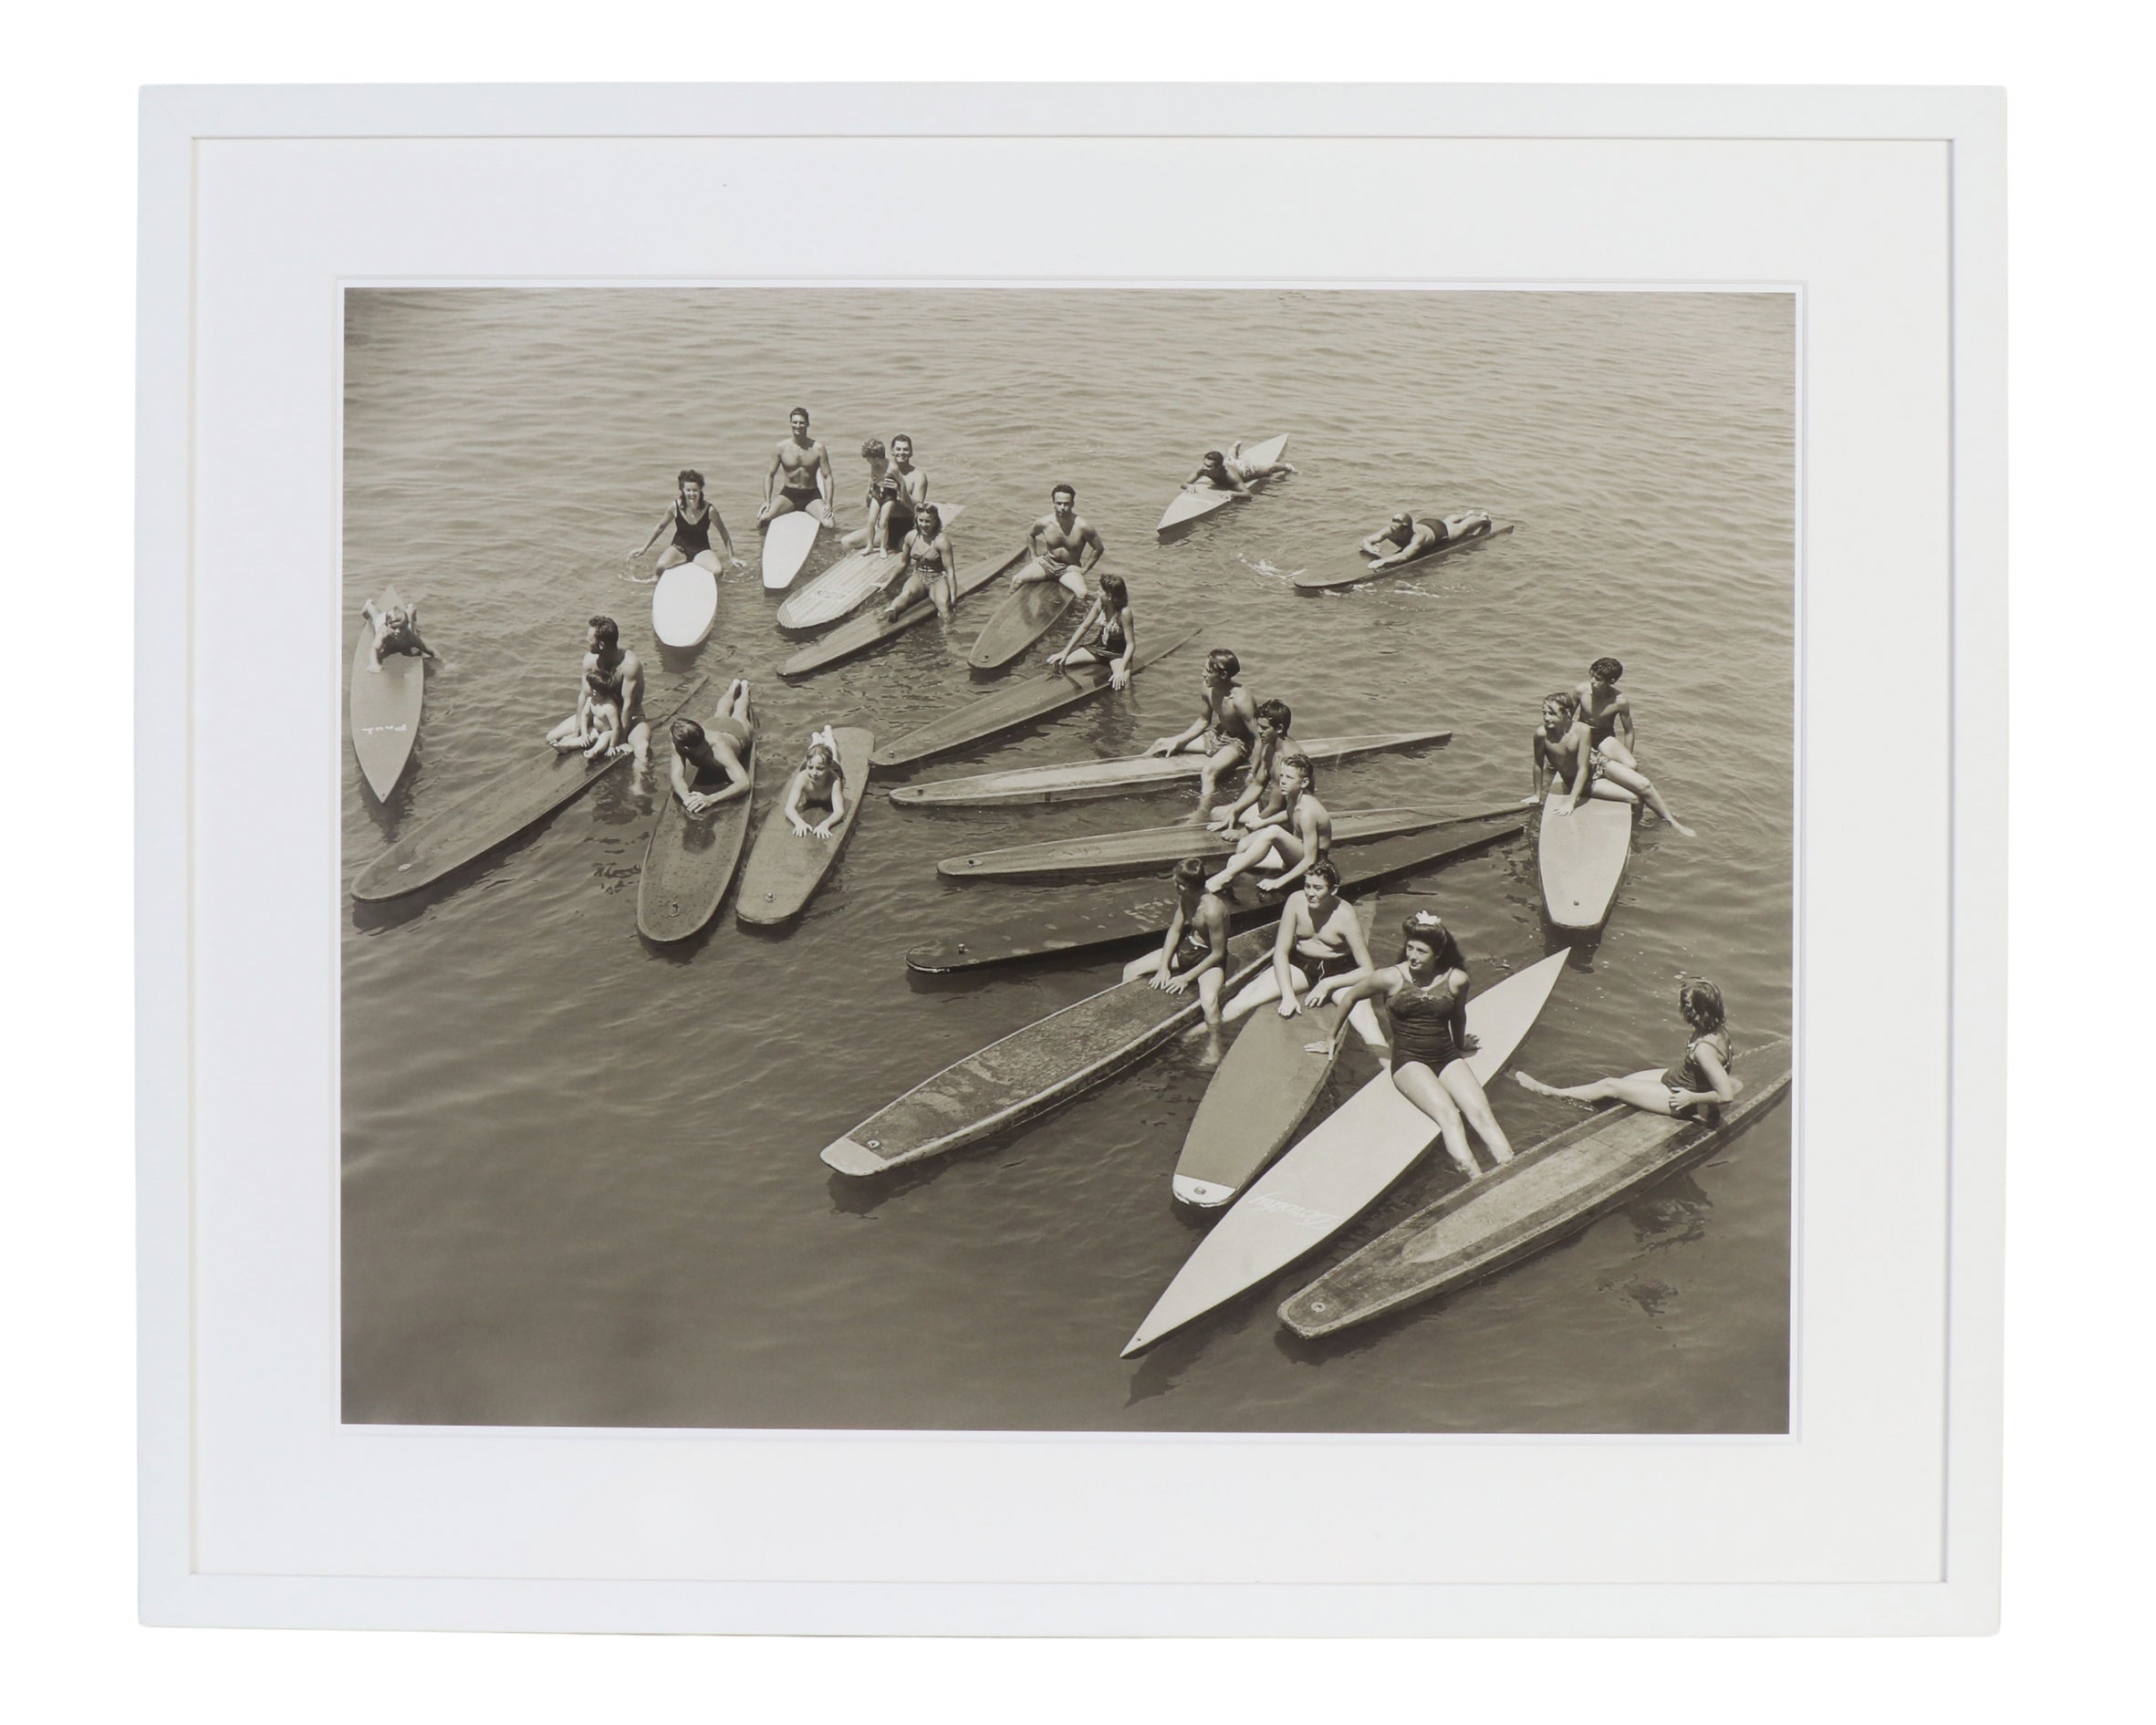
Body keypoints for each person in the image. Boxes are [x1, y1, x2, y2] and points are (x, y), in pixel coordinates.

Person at [1329, 909, 1515, 1179]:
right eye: (1410, 948)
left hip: (1446, 1055)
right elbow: (1349, 997)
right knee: (1450, 1116)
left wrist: (1461, 1043)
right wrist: (1330, 1038)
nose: (1413, 956)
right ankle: (1477, 1181)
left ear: (1437, 954)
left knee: (1481, 1113)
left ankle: (1511, 1169)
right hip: (1409, 1060)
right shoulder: (1390, 978)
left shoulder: (1456, 979)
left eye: (1421, 951)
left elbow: (1458, 1014)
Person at [1220, 860, 1386, 1050]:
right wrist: (1288, 995)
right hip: (1302, 964)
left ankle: (1391, 1073)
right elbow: (1281, 952)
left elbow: (1367, 970)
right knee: (1241, 1002)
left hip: (1339, 969)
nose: (1310, 893)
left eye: (1317, 888)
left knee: (1367, 1024)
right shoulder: (1296, 901)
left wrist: (1327, 983)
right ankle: (1193, 1038)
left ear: (1333, 890)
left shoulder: (1345, 916)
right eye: (1307, 886)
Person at [1516, 980, 1738, 1121]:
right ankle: (1592, 1108)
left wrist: (1690, 1098)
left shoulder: (1704, 1051)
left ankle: (1550, 1092)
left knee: (1610, 1085)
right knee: (1626, 1082)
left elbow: (1726, 1095)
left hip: (1680, 1099)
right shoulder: (1717, 1029)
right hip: (1680, 1079)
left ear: (1692, 1012)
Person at [1531, 691, 1693, 835]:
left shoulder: (1582, 730)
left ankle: (1672, 822)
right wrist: (1538, 796)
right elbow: (1538, 764)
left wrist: (1571, 802)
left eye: (1551, 713)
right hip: (1585, 781)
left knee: (1644, 784)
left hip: (1598, 763)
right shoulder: (1542, 735)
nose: (1546, 718)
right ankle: (1632, 832)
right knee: (1636, 799)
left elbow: (1583, 766)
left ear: (1567, 713)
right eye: (1544, 713)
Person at [1122, 857, 1236, 1031]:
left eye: (1175, 881)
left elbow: (1218, 954)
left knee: (1209, 1001)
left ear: (1184, 886)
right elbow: (1175, 931)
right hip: (1187, 948)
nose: (1173, 884)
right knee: (1130, 969)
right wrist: (1163, 967)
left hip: (1207, 957)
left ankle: (1215, 1046)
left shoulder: (1213, 910)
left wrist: (1185, 978)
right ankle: (1130, 1018)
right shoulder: (1185, 898)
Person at [1205, 749, 1331, 895]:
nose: (1282, 781)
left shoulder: (1308, 811)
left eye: (1289, 777)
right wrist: (1261, 823)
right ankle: (1227, 886)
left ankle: (1223, 878)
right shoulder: (1293, 796)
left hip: (1315, 863)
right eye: (1282, 775)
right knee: (1235, 860)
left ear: (1304, 782)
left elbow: (1310, 860)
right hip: (1295, 854)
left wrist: (1278, 882)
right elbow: (1289, 813)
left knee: (1274, 831)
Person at [1147, 647, 1259, 800]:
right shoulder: (1207, 688)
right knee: (1160, 744)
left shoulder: (1241, 700)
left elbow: (1258, 737)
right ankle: (1129, 770)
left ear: (1223, 675)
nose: (1203, 674)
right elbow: (1203, 720)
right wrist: (1178, 742)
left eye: (1208, 671)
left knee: (1208, 772)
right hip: (1219, 734)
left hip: (1239, 742)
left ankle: (1202, 812)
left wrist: (1254, 771)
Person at [546, 615, 651, 768]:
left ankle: (638, 788)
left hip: (629, 716)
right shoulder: (589, 661)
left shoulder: (629, 664)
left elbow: (628, 705)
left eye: (589, 639)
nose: (586, 641)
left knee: (642, 750)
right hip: (599, 713)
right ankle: (588, 740)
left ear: (601, 645)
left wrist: (620, 741)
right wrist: (577, 731)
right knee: (551, 737)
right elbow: (584, 695)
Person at [668, 680, 756, 816]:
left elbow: (744, 783)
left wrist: (710, 799)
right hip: (713, 725)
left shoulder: (720, 750)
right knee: (720, 712)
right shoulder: (678, 744)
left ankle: (745, 689)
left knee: (739, 714)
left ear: (686, 747)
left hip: (735, 731)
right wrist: (687, 798)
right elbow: (677, 777)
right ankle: (732, 688)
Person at [633, 468, 744, 577]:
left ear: (700, 490)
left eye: (695, 490)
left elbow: (723, 532)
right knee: (660, 567)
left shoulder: (710, 510)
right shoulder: (675, 507)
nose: (692, 494)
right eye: (688, 490)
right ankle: (656, 581)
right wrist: (644, 548)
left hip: (701, 550)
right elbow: (660, 528)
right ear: (683, 490)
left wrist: (732, 556)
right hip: (678, 548)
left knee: (717, 571)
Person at [1206, 698, 1296, 830]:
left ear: (1279, 728)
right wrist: (1234, 811)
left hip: (1288, 816)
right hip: (1273, 808)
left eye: (1264, 728)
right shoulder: (1270, 749)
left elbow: (1275, 807)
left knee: (1240, 837)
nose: (1259, 731)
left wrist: (1245, 831)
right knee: (1216, 813)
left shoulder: (1288, 760)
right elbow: (1257, 784)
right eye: (1258, 726)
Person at [1012, 483, 1105, 598]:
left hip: (1068, 568)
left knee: (1082, 593)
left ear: (1072, 504)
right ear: (1053, 504)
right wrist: (1034, 557)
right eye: (1059, 503)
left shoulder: (1083, 526)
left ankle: (1077, 616)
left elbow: (1098, 548)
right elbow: (1030, 534)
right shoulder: (1044, 522)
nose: (1062, 507)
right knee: (1016, 580)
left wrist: (1084, 569)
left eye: (1066, 504)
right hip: (1047, 564)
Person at [1045, 571, 1135, 686]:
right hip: (1099, 648)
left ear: (1109, 596)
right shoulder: (1100, 603)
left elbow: (1131, 644)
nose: (1097, 593)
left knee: (1123, 682)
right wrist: (1065, 651)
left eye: (1101, 591)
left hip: (1117, 654)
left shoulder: (1125, 612)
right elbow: (1084, 627)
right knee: (1062, 663)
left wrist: (1121, 669)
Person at [757, 407, 837, 527]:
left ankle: (822, 545)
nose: (798, 426)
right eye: (795, 422)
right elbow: (770, 475)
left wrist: (829, 504)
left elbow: (827, 477)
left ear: (808, 424)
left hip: (811, 496)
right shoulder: (781, 448)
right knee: (763, 520)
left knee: (830, 525)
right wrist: (767, 500)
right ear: (790, 423)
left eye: (801, 423)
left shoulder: (818, 448)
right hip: (789, 495)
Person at [879, 503, 958, 620]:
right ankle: (892, 610)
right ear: (916, 520)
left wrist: (953, 597)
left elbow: (950, 571)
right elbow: (903, 564)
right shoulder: (911, 537)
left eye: (928, 522)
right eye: (920, 520)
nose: (923, 525)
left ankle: (948, 634)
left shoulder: (942, 541)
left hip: (937, 578)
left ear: (935, 522)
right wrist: (887, 583)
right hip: (918, 576)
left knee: (943, 605)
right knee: (906, 594)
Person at [1359, 508, 1494, 571]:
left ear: (1405, 528)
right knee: (1447, 522)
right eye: (1392, 529)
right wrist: (1371, 548)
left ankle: (1482, 519)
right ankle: (1464, 514)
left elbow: (1405, 556)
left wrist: (1383, 561)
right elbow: (1365, 541)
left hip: (1437, 531)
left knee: (1462, 528)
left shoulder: (1418, 537)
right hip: (1425, 523)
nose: (1392, 532)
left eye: (1396, 530)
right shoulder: (1390, 529)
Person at [782, 725, 849, 838]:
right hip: (813, 763)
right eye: (810, 768)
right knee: (814, 754)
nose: (814, 773)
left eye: (820, 769)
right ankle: (816, 740)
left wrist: (825, 824)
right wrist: (799, 822)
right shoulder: (803, 777)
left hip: (831, 767)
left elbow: (839, 811)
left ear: (828, 767)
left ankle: (828, 735)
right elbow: (789, 808)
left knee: (833, 754)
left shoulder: (834, 781)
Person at [1573, 656, 1640, 767]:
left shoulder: (1619, 702)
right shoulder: (1581, 691)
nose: (1592, 681)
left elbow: (1629, 731)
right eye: (1592, 676)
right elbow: (1565, 718)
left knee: (1631, 765)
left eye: (1598, 679)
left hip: (1603, 737)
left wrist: (1628, 754)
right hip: (1581, 733)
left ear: (1611, 681)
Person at [553, 661, 626, 761]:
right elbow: (585, 715)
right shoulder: (591, 700)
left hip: (608, 732)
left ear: (595, 692)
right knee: (587, 737)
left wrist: (612, 746)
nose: (587, 689)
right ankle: (565, 746)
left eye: (590, 687)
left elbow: (616, 728)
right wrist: (584, 733)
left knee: (603, 738)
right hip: (596, 730)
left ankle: (594, 751)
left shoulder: (609, 707)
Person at [359, 598, 434, 671]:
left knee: (410, 621)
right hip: (382, 622)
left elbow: (428, 649)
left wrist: (443, 662)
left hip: (404, 623)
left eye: (401, 628)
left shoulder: (410, 636)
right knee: (376, 617)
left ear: (405, 625)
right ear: (387, 626)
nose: (398, 631)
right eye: (394, 628)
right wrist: (374, 664)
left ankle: (411, 609)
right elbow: (374, 648)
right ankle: (369, 605)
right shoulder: (383, 633)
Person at [865, 473, 917, 554]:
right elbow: (868, 504)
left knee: (908, 550)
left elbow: (919, 510)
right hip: (884, 528)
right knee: (847, 542)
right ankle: (870, 546)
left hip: (906, 527)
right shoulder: (878, 471)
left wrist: (901, 491)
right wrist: (872, 487)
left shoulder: (918, 476)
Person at [1182, 449, 1253, 498]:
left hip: (1244, 469)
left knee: (1263, 471)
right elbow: (1184, 483)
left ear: (1217, 468)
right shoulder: (1202, 468)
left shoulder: (1230, 475)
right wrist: (1189, 486)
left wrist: (1233, 494)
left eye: (1208, 466)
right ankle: (1233, 448)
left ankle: (1234, 449)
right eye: (1204, 464)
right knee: (1231, 457)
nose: (1204, 468)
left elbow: (1247, 494)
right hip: (1229, 463)